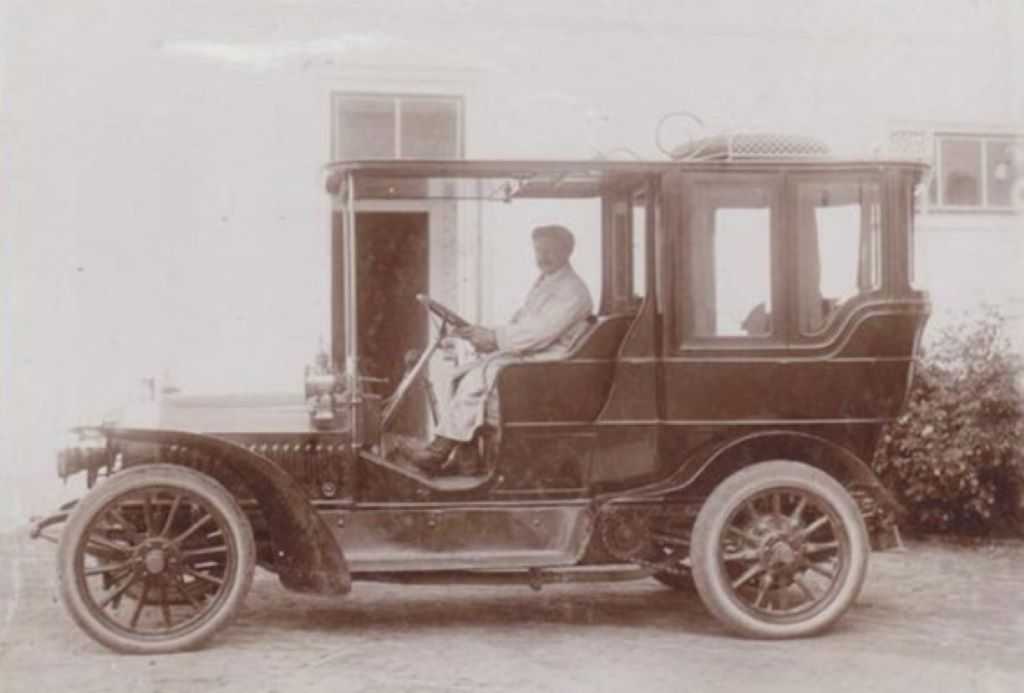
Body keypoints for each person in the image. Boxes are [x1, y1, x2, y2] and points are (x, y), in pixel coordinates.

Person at [400, 224, 594, 473]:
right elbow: (521, 323)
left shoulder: (571, 290)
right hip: (537, 354)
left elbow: (539, 333)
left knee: (483, 373)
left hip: (552, 363)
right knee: (460, 373)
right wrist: (481, 332)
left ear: (568, 251)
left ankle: (438, 452)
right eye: (538, 250)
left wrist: (492, 337)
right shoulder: (548, 282)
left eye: (550, 250)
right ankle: (465, 459)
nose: (542, 256)